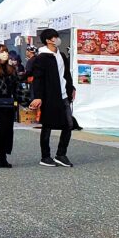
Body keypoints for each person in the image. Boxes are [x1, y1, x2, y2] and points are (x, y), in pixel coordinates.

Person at [30, 28, 75, 168]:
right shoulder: (42, 57)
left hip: (63, 95)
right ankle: (45, 156)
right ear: (48, 40)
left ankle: (61, 154)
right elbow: (38, 79)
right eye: (54, 37)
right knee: (48, 125)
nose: (57, 39)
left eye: (57, 36)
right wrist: (38, 96)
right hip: (49, 96)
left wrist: (71, 88)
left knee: (69, 124)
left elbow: (66, 74)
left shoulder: (61, 55)